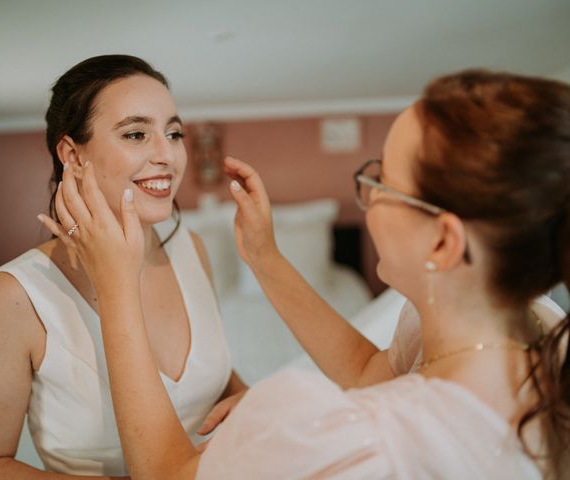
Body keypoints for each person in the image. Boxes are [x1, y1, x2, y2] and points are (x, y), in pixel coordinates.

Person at [46, 69, 570, 479]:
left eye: (382, 180)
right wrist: (264, 257)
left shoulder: (364, 440)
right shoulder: (531, 329)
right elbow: (370, 370)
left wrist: (117, 287)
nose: (366, 198)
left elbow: (167, 475)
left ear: (443, 241)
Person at [0, 55, 247, 479]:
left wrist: (246, 396)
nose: (167, 154)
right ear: (72, 155)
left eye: (174, 132)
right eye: (136, 133)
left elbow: (207, 373)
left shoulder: (191, 249)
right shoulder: (15, 296)